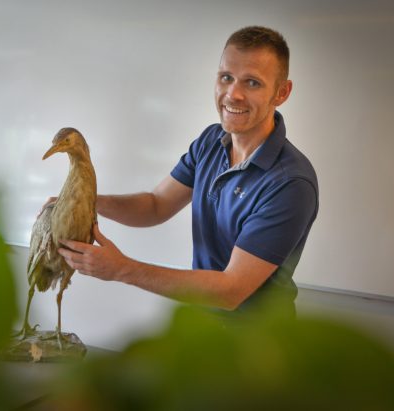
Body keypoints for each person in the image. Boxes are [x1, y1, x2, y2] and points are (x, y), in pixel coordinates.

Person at [57, 26, 319, 318]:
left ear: (281, 92)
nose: (233, 94)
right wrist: (88, 201)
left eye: (253, 83)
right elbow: (156, 205)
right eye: (226, 78)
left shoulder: (290, 183)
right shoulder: (211, 140)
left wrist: (121, 269)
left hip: (260, 348)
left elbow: (231, 290)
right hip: (203, 327)